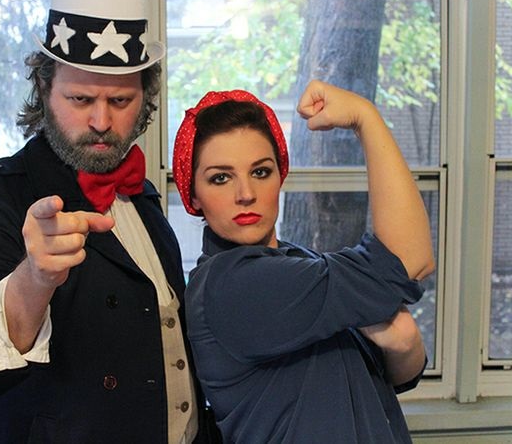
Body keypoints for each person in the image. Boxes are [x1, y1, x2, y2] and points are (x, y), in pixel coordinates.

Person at [0, 0, 220, 443]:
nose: (102, 121)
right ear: (45, 90)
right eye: (81, 99)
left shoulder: (144, 196)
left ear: (145, 99)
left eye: (120, 100)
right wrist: (34, 279)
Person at [171, 82, 435, 443]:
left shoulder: (301, 264)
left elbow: (400, 373)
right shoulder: (233, 285)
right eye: (220, 178)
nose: (245, 194)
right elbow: (410, 259)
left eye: (260, 171)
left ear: (281, 174)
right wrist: (365, 118)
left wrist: (403, 342)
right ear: (194, 195)